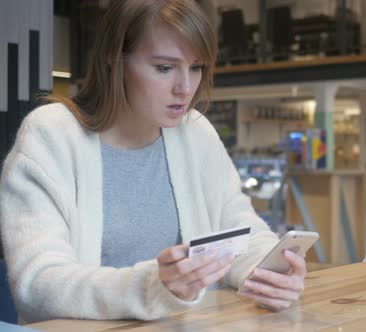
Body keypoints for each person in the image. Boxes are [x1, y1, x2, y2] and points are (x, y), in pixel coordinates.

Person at [0, 0, 305, 324]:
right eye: (164, 67)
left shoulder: (195, 132)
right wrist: (153, 286)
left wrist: (269, 271)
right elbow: (38, 283)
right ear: (113, 59)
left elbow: (240, 230)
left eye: (196, 67)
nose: (185, 88)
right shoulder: (51, 134)